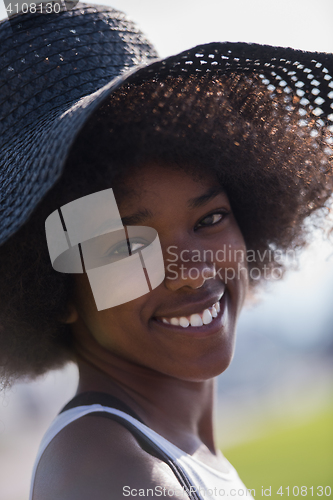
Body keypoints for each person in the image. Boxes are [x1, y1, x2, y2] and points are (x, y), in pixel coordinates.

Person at [0, 3, 332, 500]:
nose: (190, 273)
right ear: (56, 287)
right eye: (127, 244)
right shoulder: (109, 473)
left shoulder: (165, 457)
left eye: (210, 219)